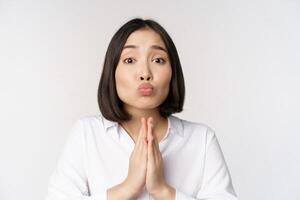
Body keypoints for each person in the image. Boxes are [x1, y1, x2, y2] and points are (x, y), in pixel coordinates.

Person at [45, 18, 238, 200]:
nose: (145, 73)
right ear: (112, 71)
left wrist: (163, 191)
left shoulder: (201, 140)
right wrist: (127, 188)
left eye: (158, 60)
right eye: (130, 60)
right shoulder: (87, 134)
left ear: (173, 73)